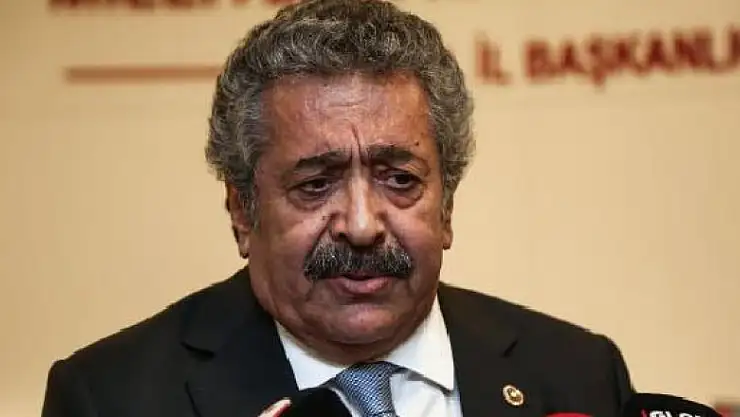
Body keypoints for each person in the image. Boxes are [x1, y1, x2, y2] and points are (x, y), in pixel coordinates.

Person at [41, 1, 635, 416]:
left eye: (399, 180)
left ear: (448, 204)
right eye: (315, 185)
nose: (362, 225)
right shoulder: (111, 397)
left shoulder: (578, 374)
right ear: (243, 212)